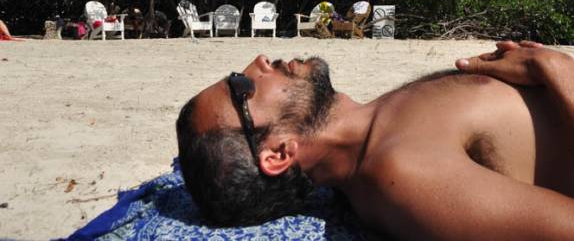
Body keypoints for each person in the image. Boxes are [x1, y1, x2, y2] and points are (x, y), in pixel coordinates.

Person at [177, 41, 574, 239]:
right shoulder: (404, 175)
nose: (259, 62)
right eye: (242, 86)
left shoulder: (379, 129)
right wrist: (556, 67)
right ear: (279, 152)